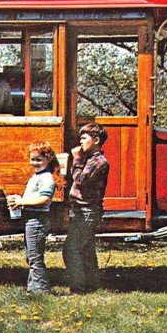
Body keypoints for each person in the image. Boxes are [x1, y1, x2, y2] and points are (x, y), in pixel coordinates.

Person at [62, 123, 110, 293]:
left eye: (84, 138)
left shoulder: (99, 161)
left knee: (71, 249)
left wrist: (76, 159)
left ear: (96, 140)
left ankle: (78, 287)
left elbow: (80, 180)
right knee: (86, 248)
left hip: (87, 211)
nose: (80, 142)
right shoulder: (90, 159)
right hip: (81, 210)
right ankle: (91, 284)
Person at [7, 141, 58, 295]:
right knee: (31, 256)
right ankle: (34, 287)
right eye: (32, 159)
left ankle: (40, 290)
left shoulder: (46, 177)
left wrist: (22, 202)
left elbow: (44, 199)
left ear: (48, 159)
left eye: (39, 160)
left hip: (38, 219)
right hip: (30, 218)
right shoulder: (37, 176)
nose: (35, 163)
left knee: (35, 257)